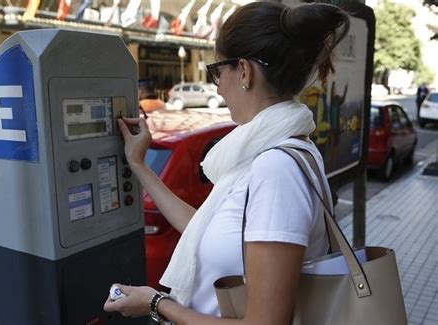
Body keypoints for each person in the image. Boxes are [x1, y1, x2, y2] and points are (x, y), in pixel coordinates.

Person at [104, 2, 350, 324]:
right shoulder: (268, 150)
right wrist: (140, 166)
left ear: (244, 71)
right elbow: (205, 229)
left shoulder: (276, 169)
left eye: (218, 71)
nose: (218, 86)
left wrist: (156, 303)